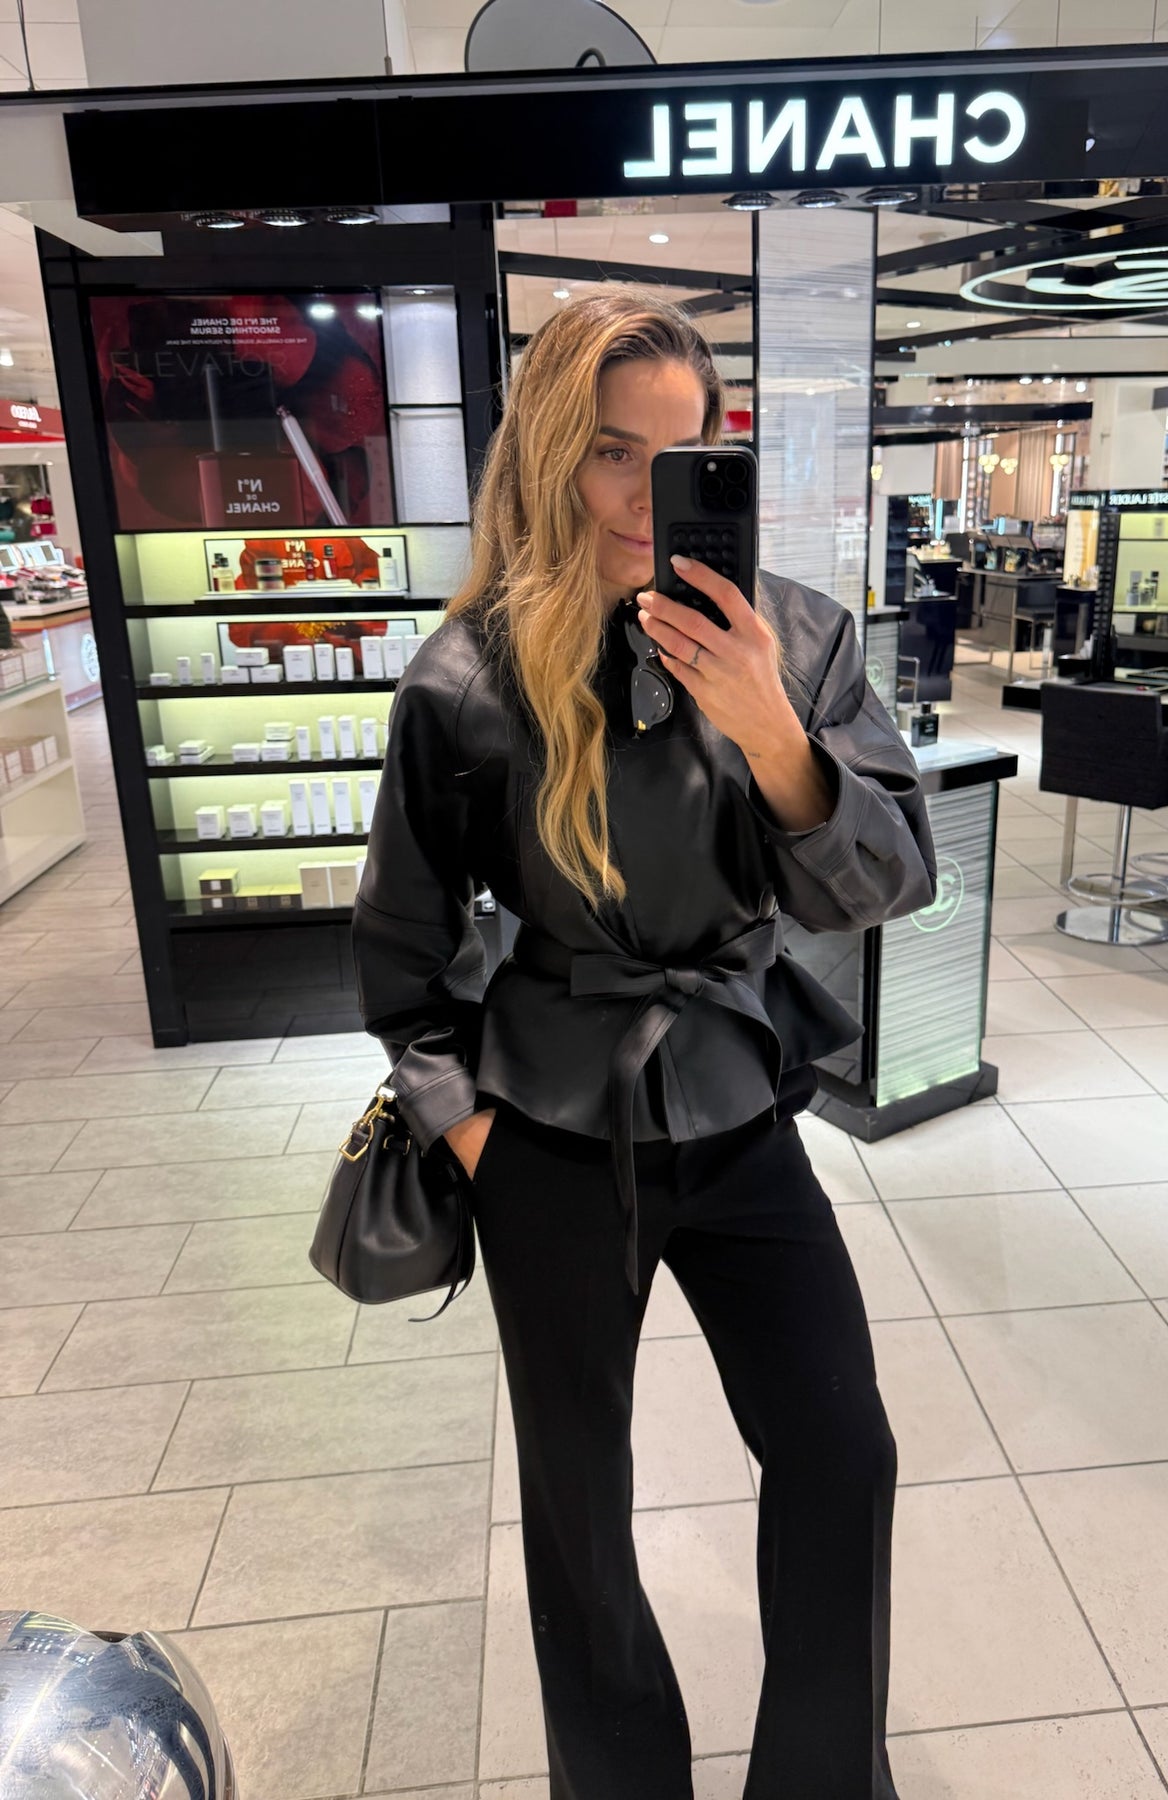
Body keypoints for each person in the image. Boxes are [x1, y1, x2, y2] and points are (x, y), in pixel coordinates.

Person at [351, 290, 938, 1800]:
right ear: (549, 457)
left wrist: (773, 731)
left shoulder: (796, 636)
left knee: (841, 1452)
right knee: (578, 1505)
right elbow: (401, 949)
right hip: (546, 1130)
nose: (643, 495)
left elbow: (888, 880)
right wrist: (467, 1128)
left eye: (682, 456)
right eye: (612, 452)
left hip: (739, 1108)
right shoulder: (467, 675)